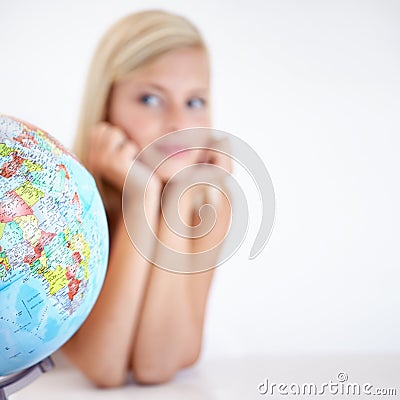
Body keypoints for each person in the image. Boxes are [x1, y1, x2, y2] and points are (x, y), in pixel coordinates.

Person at [61, 9, 232, 388]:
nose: (178, 123)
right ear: (106, 105)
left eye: (194, 102)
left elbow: (160, 363)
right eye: (152, 100)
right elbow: (102, 367)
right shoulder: (66, 204)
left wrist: (174, 201)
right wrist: (141, 201)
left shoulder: (210, 206)